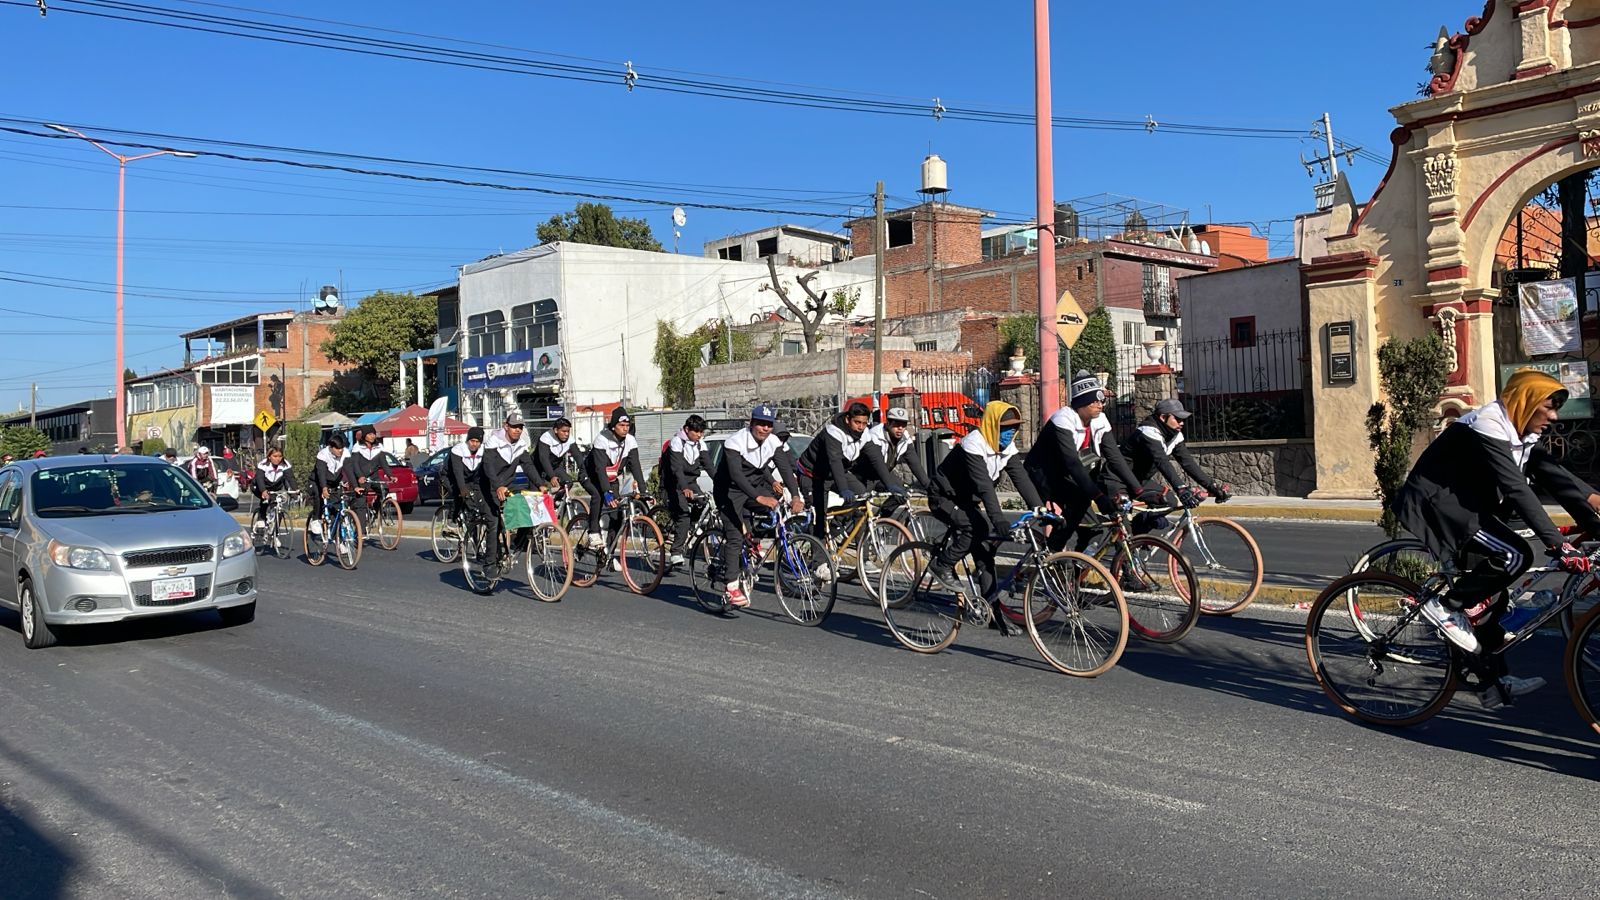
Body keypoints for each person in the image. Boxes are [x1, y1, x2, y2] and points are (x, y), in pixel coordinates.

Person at [1393, 368, 1600, 708]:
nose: (1554, 416)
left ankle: (1491, 685)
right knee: (1516, 555)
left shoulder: (1522, 433)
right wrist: (1557, 545)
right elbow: (1517, 489)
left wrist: (1593, 517)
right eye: (1547, 407)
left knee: (1493, 602)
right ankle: (1445, 607)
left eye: (1556, 409)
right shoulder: (1489, 424)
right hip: (1439, 504)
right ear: (1524, 401)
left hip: (1470, 507)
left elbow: (1556, 478)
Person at [926, 401, 1043, 632]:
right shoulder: (974, 444)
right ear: (991, 425)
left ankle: (993, 614)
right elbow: (984, 487)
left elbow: (1021, 479)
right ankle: (942, 564)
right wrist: (998, 519)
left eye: (1014, 428)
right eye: (1005, 428)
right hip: (944, 497)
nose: (1010, 433)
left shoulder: (1006, 448)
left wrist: (1039, 507)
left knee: (986, 552)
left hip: (967, 501)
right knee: (977, 528)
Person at [1024, 371, 1146, 552]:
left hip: (1070, 471)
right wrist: (1098, 497)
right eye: (1093, 401)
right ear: (1080, 405)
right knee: (1077, 507)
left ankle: (1077, 568)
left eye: (1101, 401)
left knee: (1091, 528)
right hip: (1043, 473)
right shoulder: (1063, 420)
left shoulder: (1099, 419)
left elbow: (1114, 456)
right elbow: (1073, 464)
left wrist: (1137, 489)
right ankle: (1054, 555)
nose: (1100, 405)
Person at [712, 404, 804, 608]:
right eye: (761, 424)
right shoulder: (735, 442)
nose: (765, 429)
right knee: (734, 535)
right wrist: (759, 497)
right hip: (729, 491)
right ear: (752, 423)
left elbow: (786, 469)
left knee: (777, 510)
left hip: (754, 487)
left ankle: (753, 542)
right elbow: (736, 475)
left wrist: (795, 496)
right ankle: (731, 587)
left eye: (769, 425)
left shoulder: (772, 441)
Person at [796, 401, 873, 538]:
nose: (861, 427)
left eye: (864, 423)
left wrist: (890, 483)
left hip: (833, 475)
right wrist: (843, 488)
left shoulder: (864, 433)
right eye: (857, 422)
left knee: (861, 494)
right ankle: (817, 557)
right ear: (848, 419)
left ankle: (836, 524)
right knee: (819, 515)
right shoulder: (833, 432)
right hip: (812, 476)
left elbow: (876, 458)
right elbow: (835, 461)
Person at [581, 407, 646, 551]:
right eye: (621, 425)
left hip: (611, 478)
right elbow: (599, 469)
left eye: (627, 426)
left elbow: (635, 465)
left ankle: (609, 552)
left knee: (617, 515)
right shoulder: (602, 439)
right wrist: (606, 491)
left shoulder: (630, 441)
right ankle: (593, 532)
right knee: (598, 496)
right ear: (613, 426)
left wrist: (643, 489)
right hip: (591, 475)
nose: (625, 429)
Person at [483, 414, 541, 575]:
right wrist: (497, 486)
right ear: (506, 426)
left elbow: (528, 466)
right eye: (514, 426)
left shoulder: (521, 445)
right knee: (494, 524)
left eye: (520, 427)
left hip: (508, 485)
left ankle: (517, 543)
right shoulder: (493, 441)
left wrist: (541, 484)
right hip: (488, 485)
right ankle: (489, 564)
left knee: (527, 509)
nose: (518, 430)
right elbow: (488, 468)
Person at [660, 415, 709, 566]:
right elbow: (677, 469)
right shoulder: (677, 442)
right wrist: (684, 487)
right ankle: (675, 552)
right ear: (687, 429)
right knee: (683, 516)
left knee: (703, 501)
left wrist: (722, 482)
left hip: (690, 482)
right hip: (673, 485)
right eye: (696, 432)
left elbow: (709, 466)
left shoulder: (700, 444)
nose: (699, 435)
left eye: (701, 432)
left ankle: (691, 526)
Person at [858, 407, 929, 500]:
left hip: (884, 473)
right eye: (896, 425)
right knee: (858, 505)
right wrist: (890, 485)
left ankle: (886, 514)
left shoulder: (905, 438)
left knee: (902, 494)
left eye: (903, 425)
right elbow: (878, 463)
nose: (900, 428)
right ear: (888, 423)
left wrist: (928, 486)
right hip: (865, 475)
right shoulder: (875, 436)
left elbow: (915, 463)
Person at [310, 434, 356, 536]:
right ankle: (315, 519)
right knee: (319, 496)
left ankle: (339, 541)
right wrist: (324, 488)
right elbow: (321, 473)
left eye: (342, 448)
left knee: (337, 508)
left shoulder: (346, 454)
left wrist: (355, 486)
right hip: (318, 481)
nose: (341, 451)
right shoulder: (323, 455)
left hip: (334, 482)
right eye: (338, 449)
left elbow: (349, 470)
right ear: (331, 448)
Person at [447, 426, 489, 530]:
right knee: (460, 494)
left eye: (477, 441)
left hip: (471, 479)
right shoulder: (458, 450)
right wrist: (462, 488)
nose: (474, 444)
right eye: (472, 441)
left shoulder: (483, 451)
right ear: (467, 440)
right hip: (451, 476)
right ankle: (451, 518)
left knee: (476, 501)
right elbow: (457, 472)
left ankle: (472, 527)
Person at [249, 446, 296, 532]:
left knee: (278, 507)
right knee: (265, 499)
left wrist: (295, 491)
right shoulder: (263, 464)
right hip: (259, 486)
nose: (278, 459)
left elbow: (290, 478)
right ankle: (261, 518)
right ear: (269, 457)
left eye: (280, 456)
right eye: (275, 456)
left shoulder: (285, 465)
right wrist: (263, 490)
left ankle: (275, 533)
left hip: (274, 488)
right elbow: (259, 478)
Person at [349, 425, 393, 513]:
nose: (372, 436)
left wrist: (390, 475)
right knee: (361, 498)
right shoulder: (357, 447)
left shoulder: (379, 446)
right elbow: (355, 464)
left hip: (374, 476)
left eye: (374, 434)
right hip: (362, 477)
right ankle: (356, 510)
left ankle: (376, 508)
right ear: (364, 435)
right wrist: (360, 476)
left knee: (384, 489)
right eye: (369, 434)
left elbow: (384, 462)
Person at [532, 418, 578, 492]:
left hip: (554, 467)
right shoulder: (546, 437)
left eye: (568, 431)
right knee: (537, 492)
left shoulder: (569, 439)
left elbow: (578, 456)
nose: (566, 434)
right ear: (556, 430)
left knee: (568, 482)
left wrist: (584, 472)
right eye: (563, 431)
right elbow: (544, 459)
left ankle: (557, 501)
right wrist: (552, 476)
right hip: (537, 468)